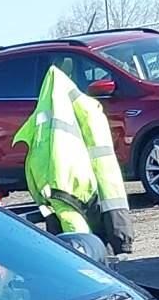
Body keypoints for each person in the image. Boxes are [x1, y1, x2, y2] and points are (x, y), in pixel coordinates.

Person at [14, 65, 135, 255]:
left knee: (77, 250)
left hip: (58, 192)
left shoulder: (46, 114)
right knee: (85, 254)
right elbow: (107, 172)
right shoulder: (89, 113)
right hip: (76, 191)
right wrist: (121, 235)